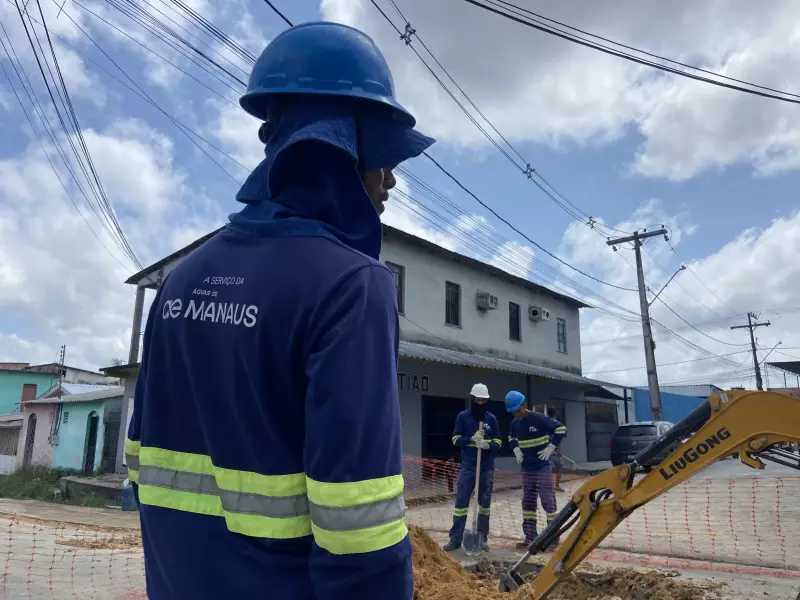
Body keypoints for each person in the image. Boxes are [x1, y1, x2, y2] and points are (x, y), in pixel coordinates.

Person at [124, 22, 434, 600]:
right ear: (341, 147)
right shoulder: (353, 284)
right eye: (383, 157)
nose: (390, 179)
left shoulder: (180, 281)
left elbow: (142, 470)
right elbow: (360, 529)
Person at [443, 383, 502, 552]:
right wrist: (471, 439)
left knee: (484, 504)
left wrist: (487, 444)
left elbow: (499, 442)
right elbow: (455, 439)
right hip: (468, 466)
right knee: (461, 503)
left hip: (486, 468)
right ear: (472, 399)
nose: (481, 403)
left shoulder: (491, 419)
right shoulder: (463, 417)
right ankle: (455, 539)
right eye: (478, 400)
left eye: (484, 400)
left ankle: (482, 538)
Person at [506, 392, 567, 550]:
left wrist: (551, 447)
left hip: (542, 466)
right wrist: (516, 449)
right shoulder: (515, 423)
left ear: (524, 406)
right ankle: (530, 537)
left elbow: (560, 429)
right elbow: (511, 437)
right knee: (528, 503)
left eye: (517, 410)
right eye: (513, 412)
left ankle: (552, 539)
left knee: (548, 501)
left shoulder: (539, 419)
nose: (515, 414)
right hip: (527, 468)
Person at [547, 407, 567, 493]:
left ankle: (550, 486)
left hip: (546, 450)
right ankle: (556, 485)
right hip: (554, 450)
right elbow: (559, 439)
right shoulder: (557, 424)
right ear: (555, 414)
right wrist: (559, 450)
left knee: (548, 468)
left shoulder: (545, 423)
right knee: (558, 467)